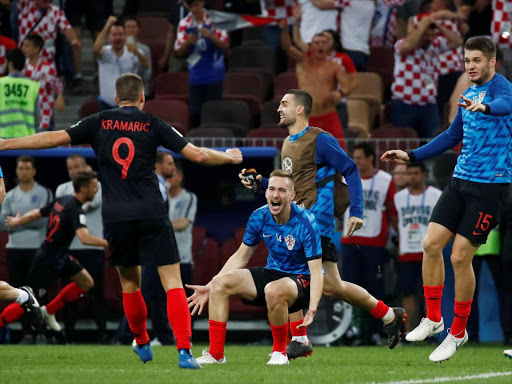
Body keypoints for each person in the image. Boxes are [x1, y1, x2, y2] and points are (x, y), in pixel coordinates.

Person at [0, 72, 242, 368]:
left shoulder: (99, 121)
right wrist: (229, 157)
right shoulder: (154, 123)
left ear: (116, 99)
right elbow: (199, 156)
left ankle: (141, 341)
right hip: (152, 212)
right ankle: (184, 352)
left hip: (117, 218)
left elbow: (53, 138)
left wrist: (6, 144)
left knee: (130, 285)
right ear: (142, 97)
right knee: (173, 284)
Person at [240, 89, 405, 359]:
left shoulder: (320, 140)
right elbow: (293, 188)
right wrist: (260, 185)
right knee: (333, 286)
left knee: (290, 274)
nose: (279, 109)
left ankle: (300, 339)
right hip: (299, 220)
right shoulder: (288, 143)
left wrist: (356, 211)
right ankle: (388, 314)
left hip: (318, 221)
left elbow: (351, 169)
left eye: (284, 104)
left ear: (300, 109)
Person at [381, 36, 512, 362]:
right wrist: (410, 156)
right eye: (467, 60)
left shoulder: (501, 89)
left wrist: (485, 107)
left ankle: (457, 332)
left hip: (490, 188)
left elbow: (505, 107)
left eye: (477, 60)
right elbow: (452, 136)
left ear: (492, 62)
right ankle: (434, 318)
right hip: (459, 182)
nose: (471, 66)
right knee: (430, 244)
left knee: (459, 257)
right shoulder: (467, 94)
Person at [188, 170, 324, 366]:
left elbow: (316, 271)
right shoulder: (259, 216)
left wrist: (312, 308)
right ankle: (216, 354)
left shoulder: (306, 221)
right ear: (266, 193)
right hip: (274, 273)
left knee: (273, 290)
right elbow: (241, 256)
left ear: (292, 196)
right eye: (272, 189)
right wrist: (209, 286)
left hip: (302, 278)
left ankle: (280, 352)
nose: (276, 194)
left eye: (282, 190)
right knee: (220, 283)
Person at [0, 170, 108, 337]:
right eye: (94, 187)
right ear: (84, 188)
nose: (96, 191)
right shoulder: (75, 210)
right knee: (28, 299)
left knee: (87, 283)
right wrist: (112, 244)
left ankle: (49, 311)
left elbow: (37, 213)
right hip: (47, 258)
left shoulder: (62, 201)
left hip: (61, 255)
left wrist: (18, 221)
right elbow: (84, 238)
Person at [341, 142, 398, 345]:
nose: (356, 161)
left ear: (370, 158)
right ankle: (352, 330)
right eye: (354, 157)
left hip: (374, 242)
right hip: (350, 240)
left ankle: (376, 331)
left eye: (359, 157)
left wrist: (394, 236)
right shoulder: (345, 178)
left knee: (375, 288)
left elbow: (393, 210)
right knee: (348, 288)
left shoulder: (385, 180)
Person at [0, 156, 52, 342]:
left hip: (38, 248)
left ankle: (42, 333)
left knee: (41, 291)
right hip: (15, 248)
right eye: (20, 168)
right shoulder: (12, 195)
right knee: (17, 288)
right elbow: (2, 222)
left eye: (26, 168)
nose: (23, 171)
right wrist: (25, 221)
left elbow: (44, 221)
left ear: (34, 170)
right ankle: (27, 333)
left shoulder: (43, 192)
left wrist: (17, 221)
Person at [55, 155, 106, 343]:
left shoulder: (97, 186)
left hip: (93, 248)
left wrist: (70, 206)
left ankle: (102, 334)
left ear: (86, 167)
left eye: (78, 167)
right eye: (70, 168)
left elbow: (88, 204)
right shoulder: (62, 188)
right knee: (68, 293)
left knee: (97, 293)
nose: (74, 171)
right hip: (69, 248)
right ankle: (69, 335)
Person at [390, 12, 463, 138]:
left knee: (433, 144)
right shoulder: (401, 44)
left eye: (431, 35)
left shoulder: (435, 46)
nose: (429, 39)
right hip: (404, 106)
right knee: (405, 148)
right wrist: (422, 25)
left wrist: (437, 25)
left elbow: (457, 41)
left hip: (429, 107)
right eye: (425, 35)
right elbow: (407, 46)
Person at [393, 162, 442, 334]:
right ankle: (408, 331)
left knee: (429, 293)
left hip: (428, 252)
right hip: (406, 252)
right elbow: (394, 220)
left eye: (416, 173)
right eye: (409, 173)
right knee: (408, 294)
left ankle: (430, 332)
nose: (412, 177)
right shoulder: (398, 197)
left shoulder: (436, 195)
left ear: (424, 174)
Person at [281, 27, 353, 139]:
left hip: (329, 116)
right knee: (304, 154)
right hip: (306, 119)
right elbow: (288, 47)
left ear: (328, 47)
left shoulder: (334, 66)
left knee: (337, 153)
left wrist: (340, 93)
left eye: (324, 42)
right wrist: (284, 29)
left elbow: (347, 86)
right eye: (317, 42)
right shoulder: (303, 62)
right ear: (311, 46)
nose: (320, 45)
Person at [174, 0, 229, 127]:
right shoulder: (184, 23)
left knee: (213, 113)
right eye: (191, 6)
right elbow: (177, 51)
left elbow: (226, 46)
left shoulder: (215, 20)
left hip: (215, 75)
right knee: (195, 113)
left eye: (196, 5)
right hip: (195, 76)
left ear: (202, 3)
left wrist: (210, 36)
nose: (194, 9)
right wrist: (188, 42)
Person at [93, 16, 148, 110]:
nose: (117, 37)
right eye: (114, 34)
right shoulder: (105, 52)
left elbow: (145, 66)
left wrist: (138, 54)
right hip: (106, 105)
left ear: (125, 36)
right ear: (109, 37)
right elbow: (95, 49)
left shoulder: (134, 51)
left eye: (120, 34)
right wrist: (107, 25)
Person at [21, 34, 65, 131]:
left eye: (27, 46)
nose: (23, 48)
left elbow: (57, 84)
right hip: (27, 110)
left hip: (45, 110)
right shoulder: (22, 67)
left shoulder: (48, 67)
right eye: (23, 45)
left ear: (37, 48)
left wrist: (60, 97)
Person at [15, 0, 80, 64]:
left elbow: (66, 27)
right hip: (25, 60)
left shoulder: (55, 11)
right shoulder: (25, 6)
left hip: (46, 61)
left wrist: (73, 39)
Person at [167, 160, 197, 297]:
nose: (168, 180)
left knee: (185, 297)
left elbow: (183, 223)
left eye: (171, 176)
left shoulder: (189, 197)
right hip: (161, 257)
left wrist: (159, 225)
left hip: (182, 256)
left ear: (179, 177)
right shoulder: (160, 197)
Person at [0, 49, 39, 138]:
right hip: (26, 140)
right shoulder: (32, 86)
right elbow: (37, 118)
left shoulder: (1, 84)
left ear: (10, 63)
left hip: (3, 140)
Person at [123, 17, 152, 95]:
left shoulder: (145, 49)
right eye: (128, 27)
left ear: (138, 29)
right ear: (123, 29)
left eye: (134, 27)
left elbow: (147, 74)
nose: (131, 29)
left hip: (139, 90)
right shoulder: (117, 48)